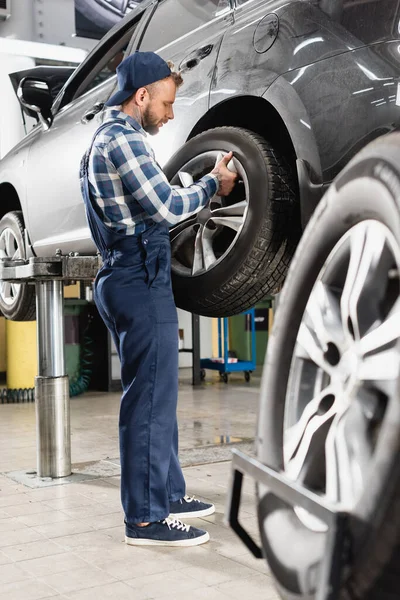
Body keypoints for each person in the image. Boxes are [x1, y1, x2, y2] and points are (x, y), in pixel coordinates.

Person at [80, 51, 237, 547]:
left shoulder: (108, 140)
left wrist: (197, 181)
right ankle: (145, 520)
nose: (170, 115)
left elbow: (157, 193)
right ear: (141, 95)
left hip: (131, 274)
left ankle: (166, 495)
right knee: (149, 402)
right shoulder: (121, 139)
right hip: (138, 276)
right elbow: (167, 206)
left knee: (157, 396)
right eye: (166, 104)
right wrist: (214, 184)